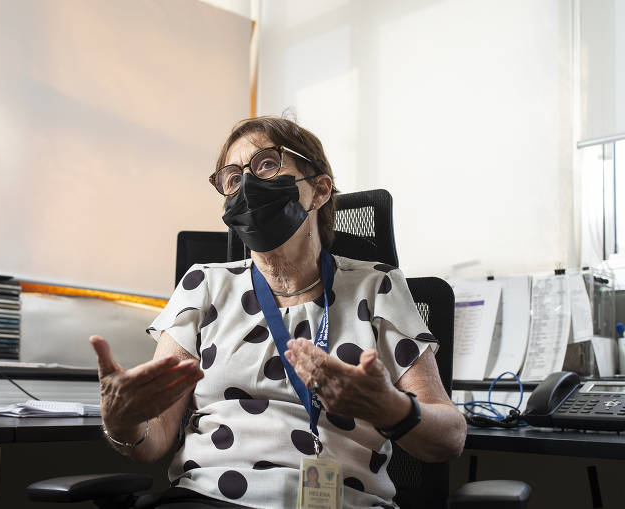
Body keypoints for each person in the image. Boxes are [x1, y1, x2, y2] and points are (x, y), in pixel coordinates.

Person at [90, 116, 466, 509]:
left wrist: (391, 407)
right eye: (232, 178)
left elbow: (451, 436)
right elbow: (154, 439)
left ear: (319, 190)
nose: (248, 186)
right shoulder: (203, 285)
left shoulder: (377, 286)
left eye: (267, 164)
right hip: (206, 499)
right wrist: (122, 422)